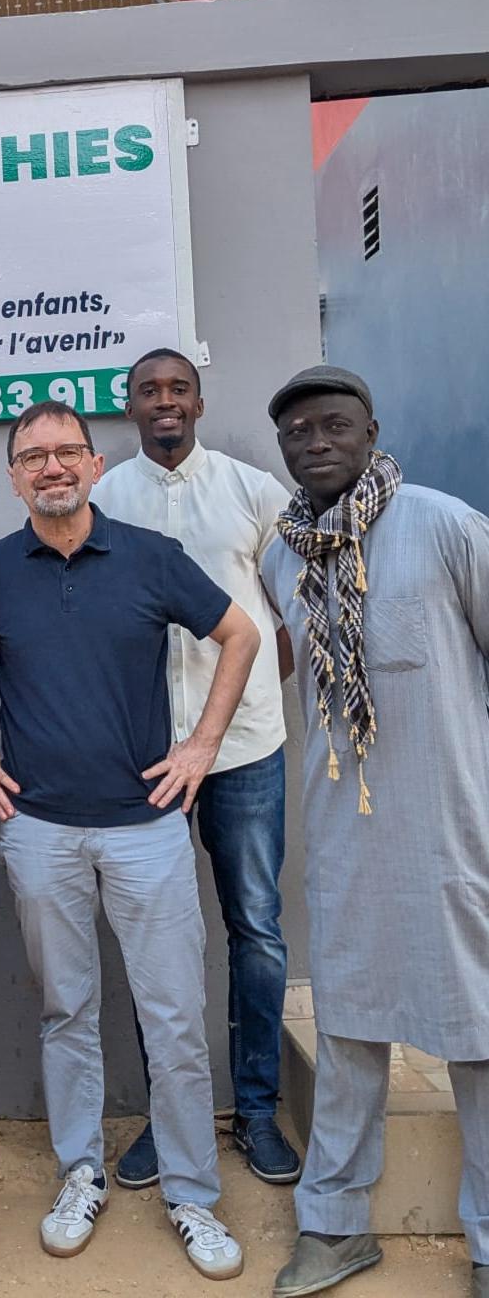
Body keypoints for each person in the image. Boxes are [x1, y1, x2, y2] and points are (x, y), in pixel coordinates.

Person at [0, 400, 259, 1282]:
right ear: (14, 476)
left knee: (174, 1023)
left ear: (92, 465)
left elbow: (240, 633)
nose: (50, 467)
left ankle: (194, 1196)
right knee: (67, 1012)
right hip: (40, 830)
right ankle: (79, 1172)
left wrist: (201, 744)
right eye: (31, 456)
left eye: (65, 452)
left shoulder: (151, 558)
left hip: (147, 830)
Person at [260, 366, 489, 1298]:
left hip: (453, 823)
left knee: (477, 1026)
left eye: (334, 424)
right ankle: (335, 1224)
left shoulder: (442, 523)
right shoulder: (284, 553)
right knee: (349, 1021)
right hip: (344, 829)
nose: (316, 440)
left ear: (371, 431)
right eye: (298, 431)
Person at [94, 348, 302, 1189]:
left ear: (201, 402)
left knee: (255, 926)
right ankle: (170, 1116)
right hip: (148, 757)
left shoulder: (254, 493)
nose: (165, 402)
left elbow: (294, 607)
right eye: (150, 391)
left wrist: (246, 700)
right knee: (156, 937)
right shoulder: (107, 498)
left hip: (246, 750)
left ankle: (254, 1110)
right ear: (132, 406)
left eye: (178, 389)